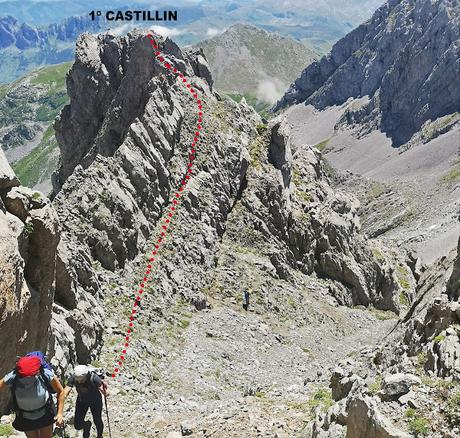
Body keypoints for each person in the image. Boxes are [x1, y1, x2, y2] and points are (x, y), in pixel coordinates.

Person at [0, 354, 65, 438]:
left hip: (44, 413)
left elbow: (60, 391)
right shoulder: (14, 375)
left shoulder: (45, 374)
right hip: (25, 417)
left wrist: (60, 414)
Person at [64, 365, 107, 438]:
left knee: (97, 420)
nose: (79, 382)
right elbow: (66, 390)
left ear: (86, 375)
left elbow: (105, 391)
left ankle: (100, 436)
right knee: (77, 425)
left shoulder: (94, 378)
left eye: (81, 380)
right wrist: (63, 396)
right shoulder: (74, 378)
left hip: (95, 402)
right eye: (78, 380)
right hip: (82, 401)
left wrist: (105, 390)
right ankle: (87, 425)